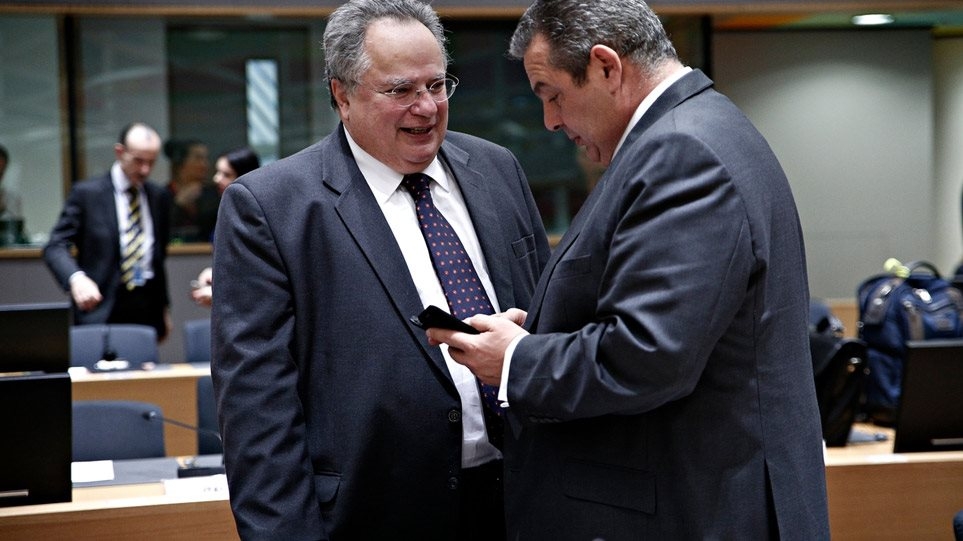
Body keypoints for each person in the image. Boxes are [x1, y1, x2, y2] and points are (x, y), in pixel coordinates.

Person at [429, 0, 831, 538]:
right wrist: (547, 330)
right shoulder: (704, 127)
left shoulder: (680, 152)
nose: (550, 121)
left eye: (552, 94)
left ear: (605, 67)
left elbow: (650, 355)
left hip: (696, 509)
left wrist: (516, 360)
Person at [210, 1, 550, 539]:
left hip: (523, 503)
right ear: (342, 95)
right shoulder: (273, 208)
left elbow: (550, 321)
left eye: (436, 85)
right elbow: (257, 415)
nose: (427, 107)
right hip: (373, 514)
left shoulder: (496, 168)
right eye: (400, 90)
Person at [43, 122, 173, 341]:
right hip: (100, 305)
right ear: (120, 152)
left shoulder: (158, 196)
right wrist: (76, 279)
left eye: (151, 162)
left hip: (146, 307)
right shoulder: (87, 194)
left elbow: (158, 257)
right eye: (139, 161)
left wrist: (164, 308)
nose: (145, 170)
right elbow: (55, 246)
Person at [191, 146, 260, 307]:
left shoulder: (256, 216)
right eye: (217, 172)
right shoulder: (226, 210)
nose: (216, 179)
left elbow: (255, 275)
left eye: (226, 174)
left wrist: (220, 292)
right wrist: (216, 275)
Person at [165, 138, 217, 243]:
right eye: (198, 158)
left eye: (205, 159)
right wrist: (179, 205)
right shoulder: (163, 194)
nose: (205, 165)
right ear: (180, 164)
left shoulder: (213, 194)